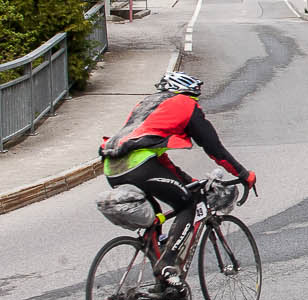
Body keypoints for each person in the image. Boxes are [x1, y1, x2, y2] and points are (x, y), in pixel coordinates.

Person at [101, 72, 255, 282]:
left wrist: (189, 183)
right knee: (188, 204)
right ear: (189, 92)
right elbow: (214, 148)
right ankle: (167, 265)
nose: (196, 102)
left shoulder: (146, 105)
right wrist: (243, 174)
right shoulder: (186, 104)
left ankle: (162, 279)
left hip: (112, 167)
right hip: (140, 166)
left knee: (155, 216)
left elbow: (159, 159)